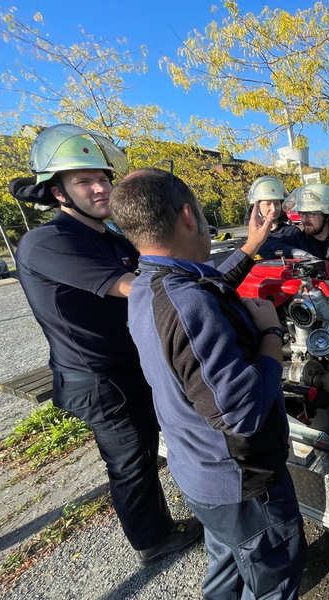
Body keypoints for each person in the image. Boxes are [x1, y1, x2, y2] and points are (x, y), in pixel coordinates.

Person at [8, 124, 202, 567]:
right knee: (131, 460)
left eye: (103, 178)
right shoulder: (48, 243)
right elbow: (137, 286)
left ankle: (163, 517)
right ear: (57, 192)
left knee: (150, 444)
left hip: (130, 365)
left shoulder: (109, 236)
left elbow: (161, 264)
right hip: (99, 378)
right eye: (84, 181)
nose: (100, 188)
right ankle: (153, 540)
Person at [110, 168, 307, 600]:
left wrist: (251, 246)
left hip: (200, 474)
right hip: (242, 485)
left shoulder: (148, 284)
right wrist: (272, 334)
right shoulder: (188, 304)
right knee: (275, 576)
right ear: (188, 215)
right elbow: (244, 413)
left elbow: (205, 284)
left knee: (226, 562)